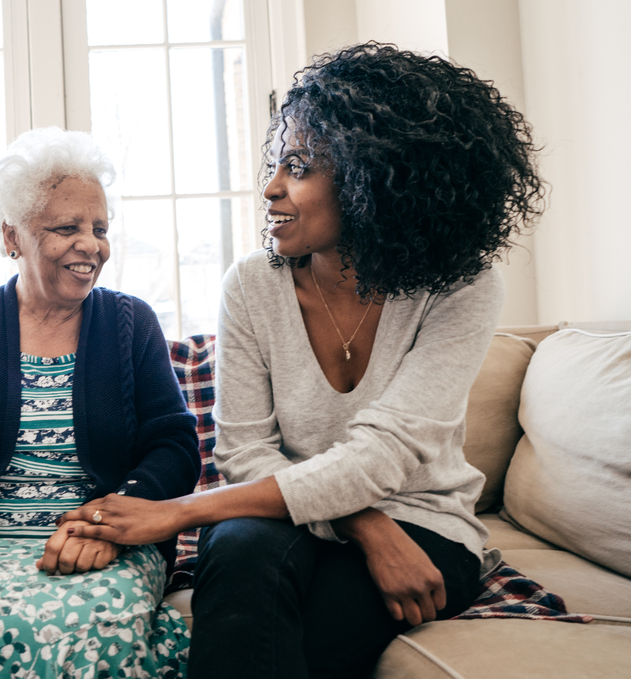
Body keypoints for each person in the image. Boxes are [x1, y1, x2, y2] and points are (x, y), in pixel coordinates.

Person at [60, 43, 545, 678]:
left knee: (309, 635)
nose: (270, 189)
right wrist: (367, 526)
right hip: (281, 516)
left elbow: (384, 455)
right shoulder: (251, 284)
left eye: (298, 167)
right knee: (236, 553)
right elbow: (244, 451)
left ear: (377, 180)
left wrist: (178, 512)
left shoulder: (462, 286)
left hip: (421, 523)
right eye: (276, 164)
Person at [0, 127, 200, 679]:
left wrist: (109, 520)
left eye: (100, 229)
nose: (91, 245)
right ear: (13, 236)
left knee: (97, 623)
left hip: (103, 541)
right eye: (67, 228)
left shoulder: (130, 322)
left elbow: (173, 447)